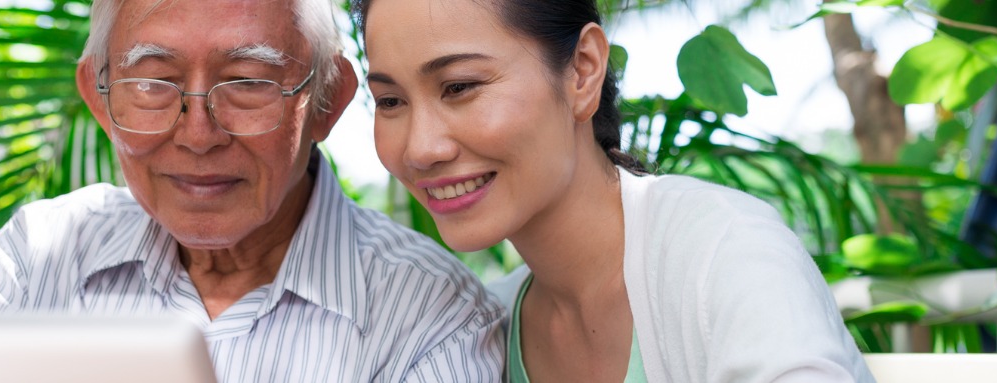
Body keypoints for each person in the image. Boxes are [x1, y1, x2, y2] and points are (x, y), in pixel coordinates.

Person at [0, 0, 506, 381]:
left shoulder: (431, 320)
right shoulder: (32, 263)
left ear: (327, 101)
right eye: (152, 82)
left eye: (248, 83)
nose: (197, 135)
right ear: (100, 100)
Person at [353, 0, 875, 381]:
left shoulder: (725, 254)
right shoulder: (486, 328)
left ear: (582, 72)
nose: (420, 149)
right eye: (391, 101)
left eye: (460, 86)